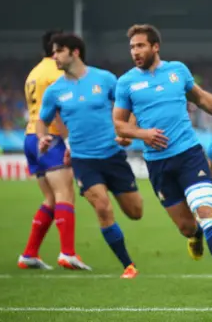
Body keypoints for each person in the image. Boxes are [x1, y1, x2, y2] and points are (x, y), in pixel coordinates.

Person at [113, 24, 212, 294]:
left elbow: (202, 99)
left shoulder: (177, 71)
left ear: (155, 46)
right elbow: (119, 125)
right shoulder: (126, 82)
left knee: (205, 211)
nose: (135, 51)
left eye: (141, 45)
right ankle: (194, 237)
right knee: (186, 226)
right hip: (158, 164)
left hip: (190, 155)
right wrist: (143, 133)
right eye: (132, 47)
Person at [38, 33, 143, 279]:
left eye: (59, 51)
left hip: (113, 155)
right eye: (53, 51)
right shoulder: (54, 91)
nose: (54, 56)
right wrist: (43, 137)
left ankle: (127, 261)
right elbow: (41, 122)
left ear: (75, 52)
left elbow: (129, 105)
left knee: (135, 212)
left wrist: (129, 130)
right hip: (83, 160)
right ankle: (128, 265)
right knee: (103, 208)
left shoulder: (104, 79)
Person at [18, 29, 90, 271]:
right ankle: (68, 253)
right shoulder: (56, 73)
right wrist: (69, 142)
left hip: (31, 137)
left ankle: (29, 254)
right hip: (51, 138)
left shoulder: (34, 73)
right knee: (64, 194)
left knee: (50, 198)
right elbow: (57, 111)